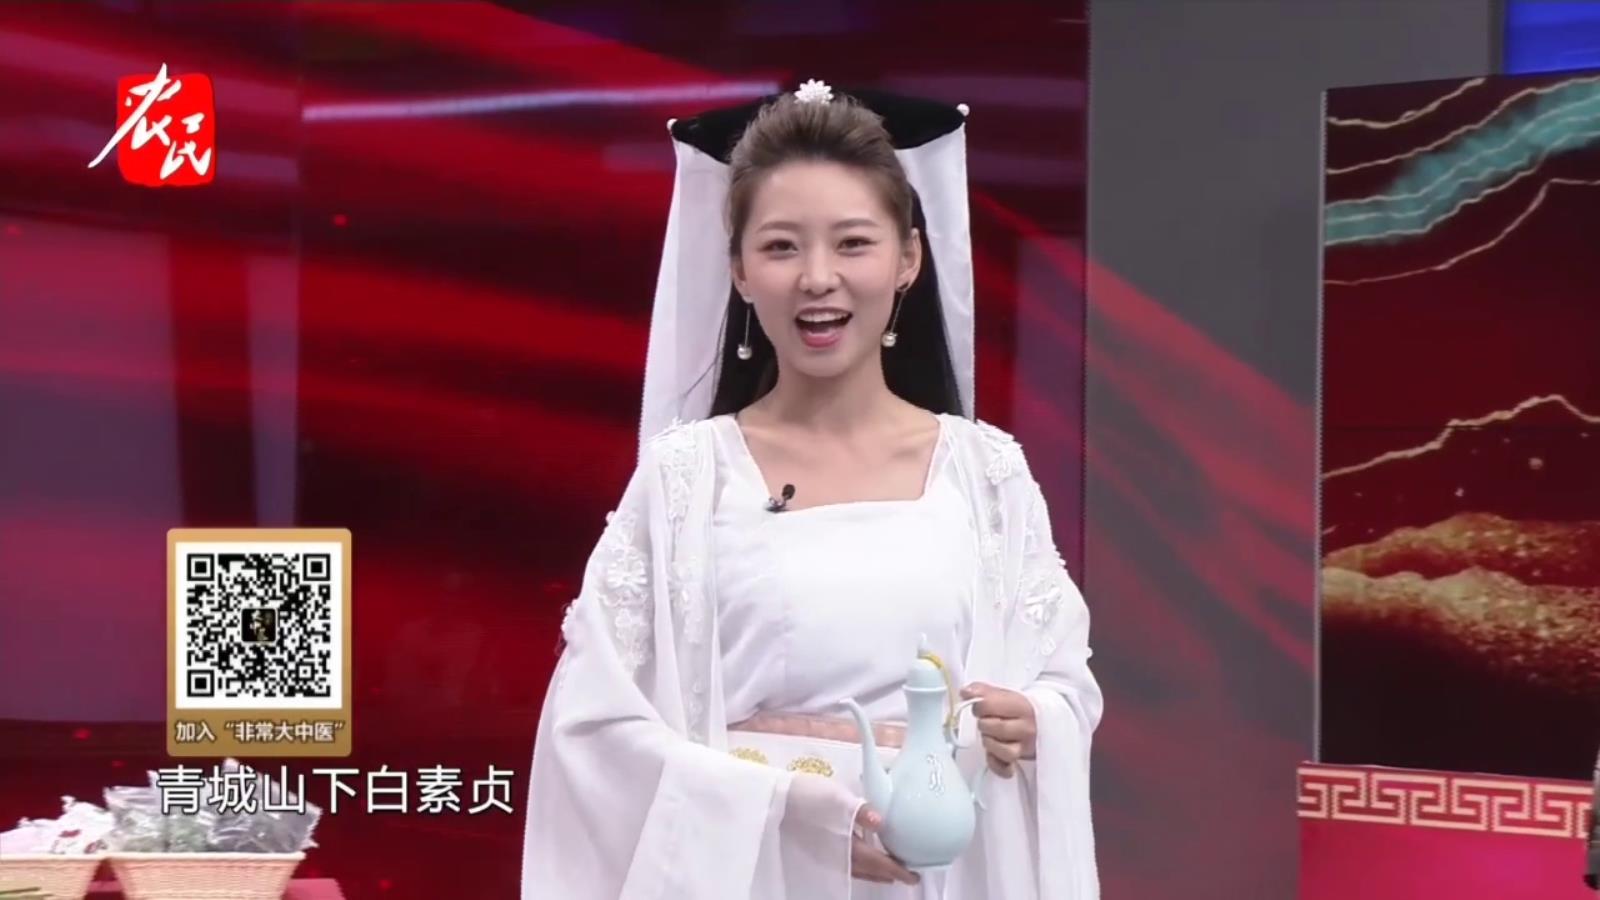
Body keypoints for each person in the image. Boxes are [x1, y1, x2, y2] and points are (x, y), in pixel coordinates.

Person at [520, 81, 1101, 899]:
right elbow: (592, 726)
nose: (818, 278)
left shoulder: (987, 474)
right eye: (782, 247)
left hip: (935, 873)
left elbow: (1062, 677)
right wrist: (788, 814)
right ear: (739, 270)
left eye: (853, 244)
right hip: (750, 878)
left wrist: (1038, 718)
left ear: (907, 259)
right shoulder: (686, 479)